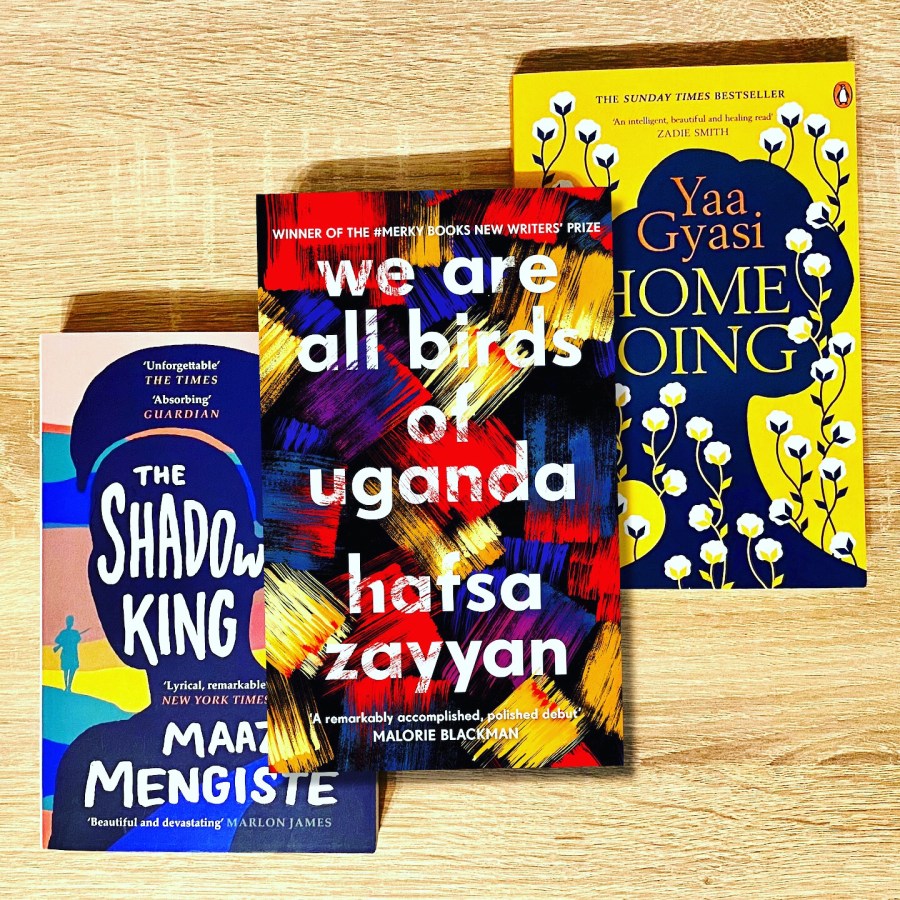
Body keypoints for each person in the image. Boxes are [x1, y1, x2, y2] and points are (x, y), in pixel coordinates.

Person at [52, 615, 86, 691]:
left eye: (71, 621)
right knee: (66, 670)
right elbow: (56, 640)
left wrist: (70, 639)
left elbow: (78, 640)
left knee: (72, 670)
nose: (70, 623)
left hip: (73, 654)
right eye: (69, 621)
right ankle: (66, 686)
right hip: (67, 653)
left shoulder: (75, 633)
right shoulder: (64, 633)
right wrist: (63, 642)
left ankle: (69, 687)